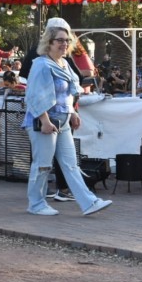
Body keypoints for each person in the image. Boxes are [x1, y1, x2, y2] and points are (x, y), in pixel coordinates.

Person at [24, 24, 113, 216]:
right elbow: (33, 95)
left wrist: (72, 112)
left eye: (66, 40)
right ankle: (36, 203)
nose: (64, 44)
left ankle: (89, 202)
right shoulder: (41, 64)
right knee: (43, 164)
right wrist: (45, 120)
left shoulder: (63, 64)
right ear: (49, 42)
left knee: (70, 164)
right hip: (45, 121)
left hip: (61, 120)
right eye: (60, 40)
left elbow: (68, 94)